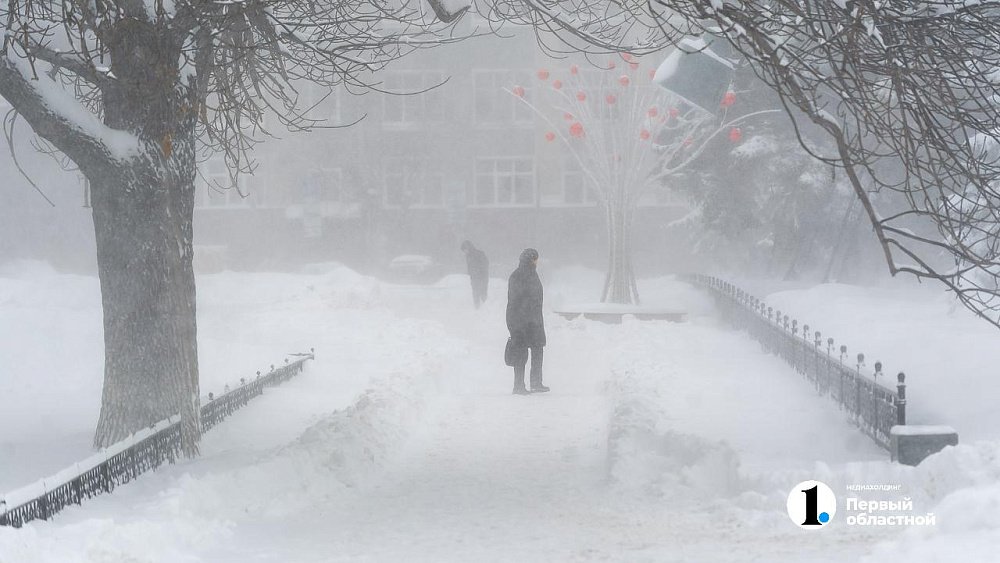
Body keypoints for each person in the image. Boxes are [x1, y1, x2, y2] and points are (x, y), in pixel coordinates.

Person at [506, 248, 549, 395]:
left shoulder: (528, 274)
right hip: (522, 321)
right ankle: (519, 386)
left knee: (537, 350)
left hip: (532, 320)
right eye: (536, 258)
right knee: (522, 352)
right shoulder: (520, 276)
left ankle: (534, 383)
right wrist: (515, 324)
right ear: (532, 259)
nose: (537, 261)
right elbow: (515, 301)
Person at [461, 240, 489, 309]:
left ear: (468, 248)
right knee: (475, 294)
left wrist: (478, 272)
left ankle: (485, 310)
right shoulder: (468, 256)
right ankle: (478, 309)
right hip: (474, 278)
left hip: (481, 278)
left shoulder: (479, 254)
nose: (464, 252)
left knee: (482, 294)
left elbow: (485, 264)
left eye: (464, 250)